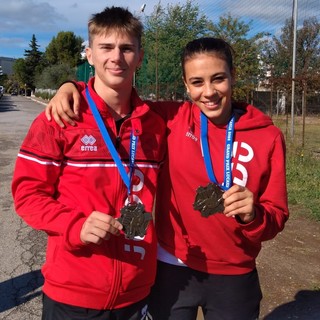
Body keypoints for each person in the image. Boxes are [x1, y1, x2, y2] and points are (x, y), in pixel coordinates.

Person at [45, 37, 289, 320]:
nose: (209, 92)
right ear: (186, 85)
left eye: (218, 79)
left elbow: (277, 215)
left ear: (233, 77)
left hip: (234, 272)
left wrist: (253, 216)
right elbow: (118, 98)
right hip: (172, 266)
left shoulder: (267, 136)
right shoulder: (170, 118)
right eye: (197, 82)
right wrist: (70, 86)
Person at [12, 6, 166, 320]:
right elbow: (28, 195)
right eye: (106, 47)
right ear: (89, 54)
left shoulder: (158, 124)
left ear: (140, 55)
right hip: (72, 294)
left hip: (138, 292)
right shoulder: (60, 118)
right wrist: (75, 225)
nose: (116, 57)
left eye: (126, 48)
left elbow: (209, 109)